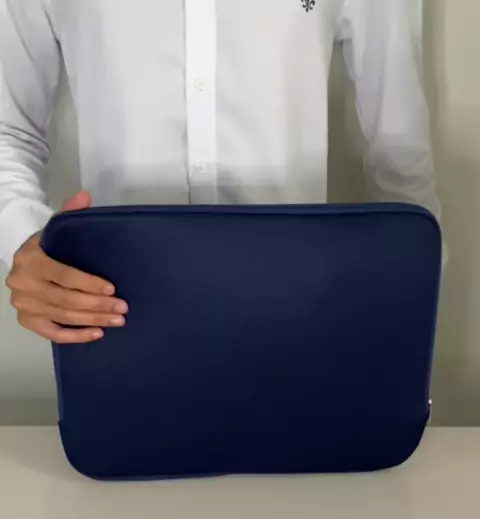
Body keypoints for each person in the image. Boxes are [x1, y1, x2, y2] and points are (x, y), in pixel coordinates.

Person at [0, 0, 440, 345]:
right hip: (113, 308)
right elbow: (9, 130)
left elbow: (398, 143)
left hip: (296, 308)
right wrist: (28, 243)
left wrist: (410, 304)